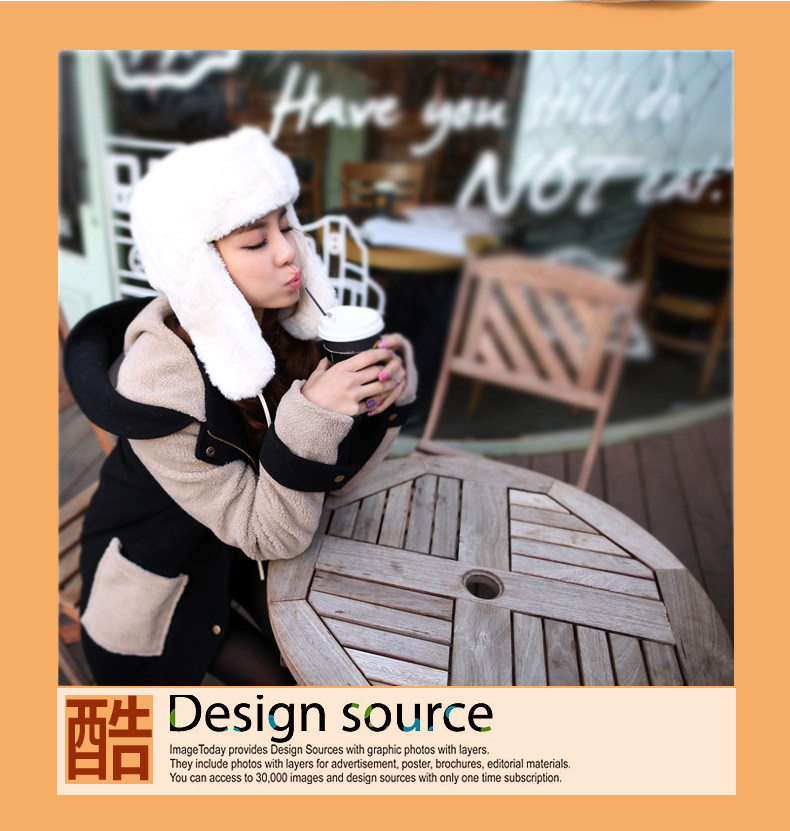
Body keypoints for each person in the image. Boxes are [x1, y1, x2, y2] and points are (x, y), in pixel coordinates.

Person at [64, 127, 417, 686]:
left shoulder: (286, 322)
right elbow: (268, 534)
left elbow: (337, 480)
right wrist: (314, 419)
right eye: (255, 242)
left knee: (358, 651)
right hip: (166, 561)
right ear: (198, 268)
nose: (288, 252)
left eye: (287, 225)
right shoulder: (158, 383)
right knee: (294, 692)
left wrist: (384, 397)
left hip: (251, 540)